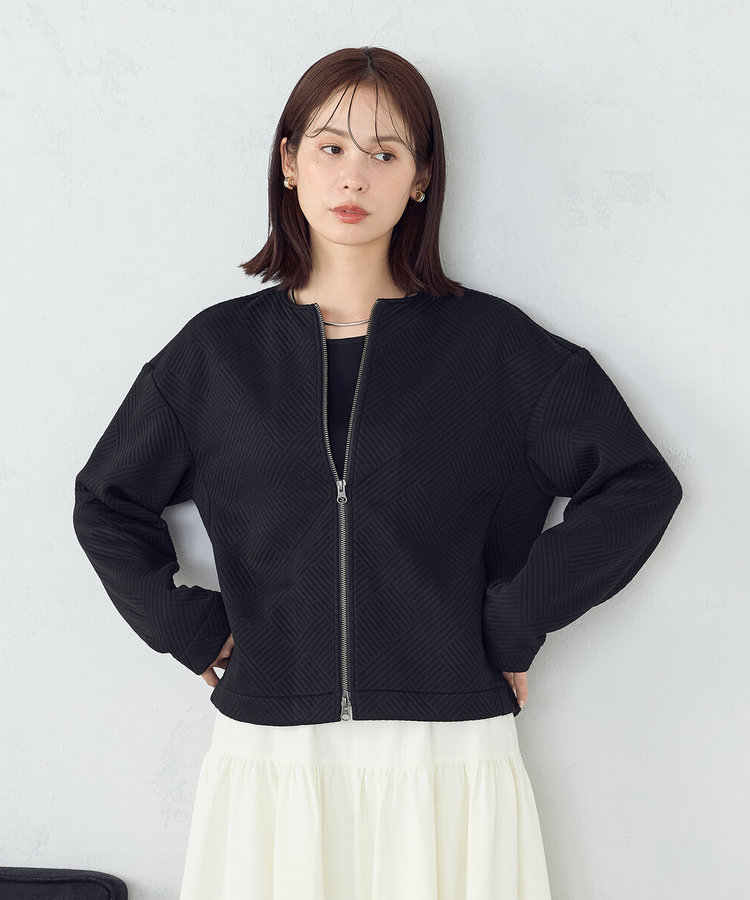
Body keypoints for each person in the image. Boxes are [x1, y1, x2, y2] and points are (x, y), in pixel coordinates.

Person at [72, 46, 682, 900]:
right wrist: (186, 627)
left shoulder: (496, 351)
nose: (353, 176)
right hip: (274, 756)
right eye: (330, 147)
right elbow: (106, 500)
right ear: (289, 162)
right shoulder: (216, 355)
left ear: (420, 177)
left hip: (446, 751)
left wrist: (515, 621)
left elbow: (638, 484)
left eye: (385, 153)